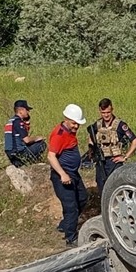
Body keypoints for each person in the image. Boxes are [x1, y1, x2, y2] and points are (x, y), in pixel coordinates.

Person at [47, 103, 89, 247]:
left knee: (82, 198)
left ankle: (65, 225)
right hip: (62, 176)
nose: (76, 126)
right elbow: (51, 156)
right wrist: (62, 174)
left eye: (78, 124)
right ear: (66, 119)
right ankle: (71, 238)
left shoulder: (70, 131)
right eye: (73, 123)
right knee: (71, 207)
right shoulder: (59, 134)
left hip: (73, 174)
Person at [88, 98, 136, 193]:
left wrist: (125, 157)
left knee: (117, 187)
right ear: (100, 111)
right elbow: (91, 138)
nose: (106, 115)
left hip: (114, 162)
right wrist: (92, 149)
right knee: (102, 188)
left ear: (112, 109)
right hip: (101, 162)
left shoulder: (120, 125)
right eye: (103, 112)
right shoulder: (97, 124)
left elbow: (135, 141)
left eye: (108, 112)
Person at [4, 99, 46, 167]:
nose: (28, 112)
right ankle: (34, 164)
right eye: (27, 110)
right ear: (21, 110)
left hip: (10, 154)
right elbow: (27, 140)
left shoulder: (10, 121)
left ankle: (21, 163)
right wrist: (38, 138)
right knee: (42, 144)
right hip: (19, 153)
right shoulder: (18, 122)